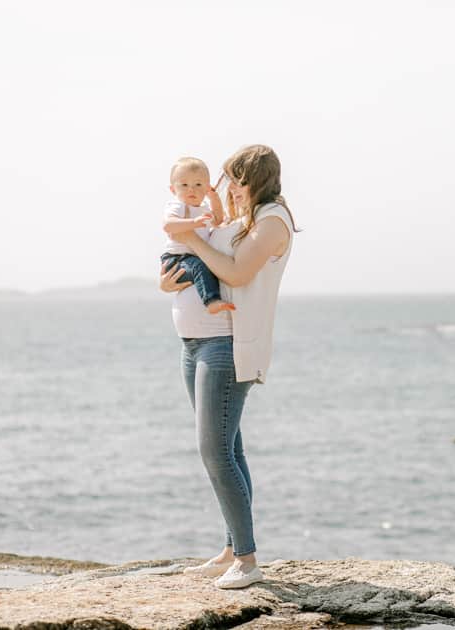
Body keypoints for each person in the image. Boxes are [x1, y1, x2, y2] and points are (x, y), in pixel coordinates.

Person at [160, 145, 299, 589]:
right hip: (195, 343)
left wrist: (192, 241)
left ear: (251, 179)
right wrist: (172, 275)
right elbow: (193, 270)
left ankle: (247, 559)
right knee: (229, 449)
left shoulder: (272, 220)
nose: (224, 189)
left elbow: (236, 275)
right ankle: (230, 548)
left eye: (232, 181)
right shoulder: (244, 220)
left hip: (228, 344)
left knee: (215, 452)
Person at [161, 156, 235, 315]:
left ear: (207, 188)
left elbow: (217, 220)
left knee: (202, 265)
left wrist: (214, 199)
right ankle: (211, 301)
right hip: (176, 259)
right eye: (184, 185)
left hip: (191, 259)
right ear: (173, 190)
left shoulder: (203, 208)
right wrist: (193, 222)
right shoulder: (178, 205)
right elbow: (168, 225)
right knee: (199, 265)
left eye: (198, 185)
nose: (191, 189)